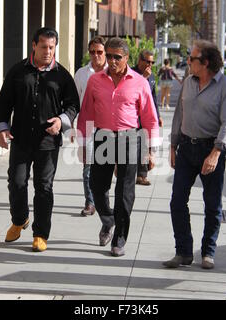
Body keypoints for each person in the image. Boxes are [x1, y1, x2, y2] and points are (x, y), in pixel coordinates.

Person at [0, 27, 80, 252]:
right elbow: (3, 103)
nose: (48, 51)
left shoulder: (62, 75)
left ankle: (40, 234)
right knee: (17, 183)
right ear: (33, 46)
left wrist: (61, 121)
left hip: (47, 143)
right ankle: (19, 220)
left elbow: (73, 105)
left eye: (52, 47)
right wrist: (1, 129)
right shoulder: (18, 71)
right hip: (20, 139)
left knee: (44, 187)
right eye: (44, 47)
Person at [77, 38, 160, 257]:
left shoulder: (140, 82)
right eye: (109, 56)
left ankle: (119, 238)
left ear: (126, 59)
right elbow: (86, 113)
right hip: (103, 137)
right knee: (97, 185)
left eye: (117, 57)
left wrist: (151, 150)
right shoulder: (95, 81)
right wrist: (83, 143)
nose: (111, 61)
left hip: (130, 138)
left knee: (124, 191)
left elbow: (150, 118)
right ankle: (108, 219)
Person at [164, 40, 226, 269]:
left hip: (210, 149)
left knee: (212, 204)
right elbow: (179, 115)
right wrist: (173, 146)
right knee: (177, 201)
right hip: (186, 147)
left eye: (191, 59)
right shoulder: (187, 82)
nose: (187, 62)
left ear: (204, 62)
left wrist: (215, 153)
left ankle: (208, 252)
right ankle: (184, 252)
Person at [74, 36, 107, 216]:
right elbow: (74, 103)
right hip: (86, 125)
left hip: (108, 127)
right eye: (92, 52)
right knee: (88, 167)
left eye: (99, 52)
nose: (96, 55)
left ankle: (102, 200)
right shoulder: (81, 74)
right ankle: (90, 202)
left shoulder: (113, 72)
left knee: (104, 167)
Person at [132, 50, 163, 186]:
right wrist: (143, 77)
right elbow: (130, 91)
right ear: (140, 60)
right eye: (147, 61)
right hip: (132, 116)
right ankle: (124, 171)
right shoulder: (131, 73)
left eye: (152, 62)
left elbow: (153, 97)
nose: (150, 64)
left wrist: (158, 115)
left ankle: (142, 175)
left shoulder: (151, 76)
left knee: (145, 145)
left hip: (146, 116)